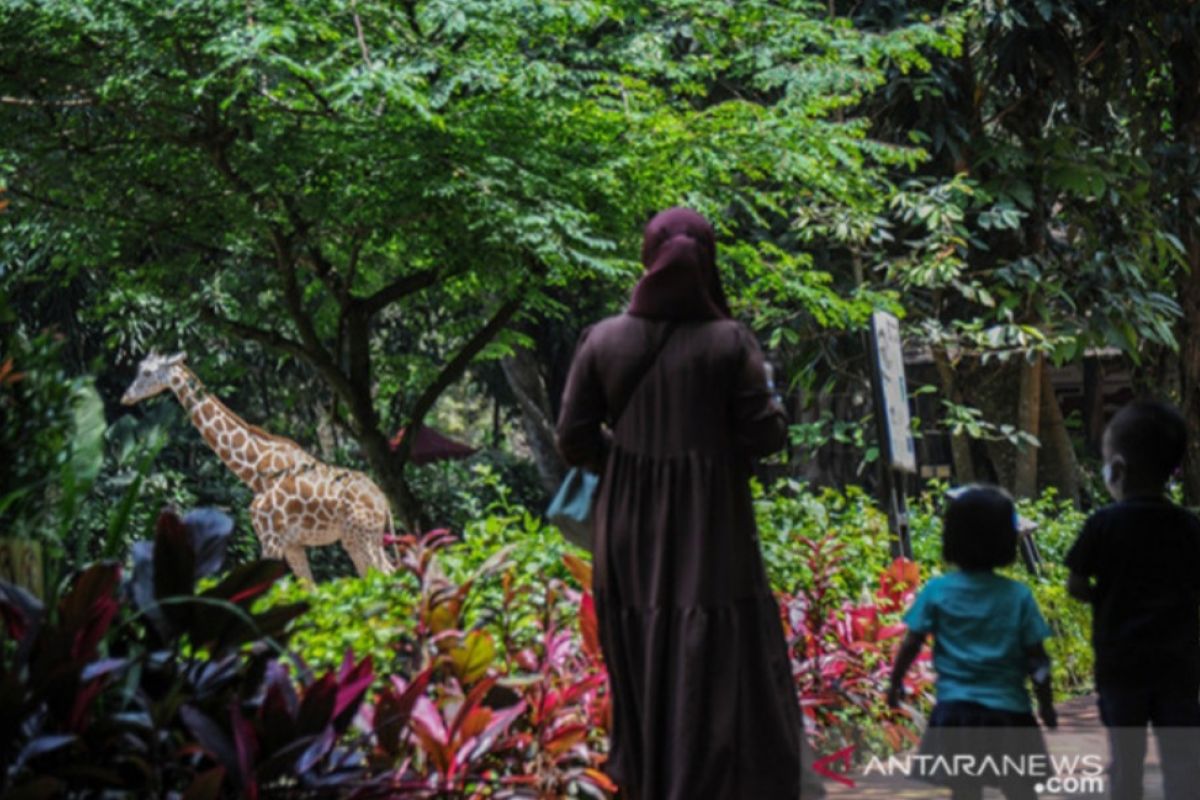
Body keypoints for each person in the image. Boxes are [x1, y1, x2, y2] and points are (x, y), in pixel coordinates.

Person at [555, 207, 804, 799]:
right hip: (712, 523)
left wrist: (628, 460)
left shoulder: (603, 340)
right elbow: (766, 435)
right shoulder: (729, 342)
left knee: (642, 644)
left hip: (628, 527)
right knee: (714, 646)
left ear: (648, 257)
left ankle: (644, 780)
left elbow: (573, 438)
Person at [1065, 399, 1200, 800]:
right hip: (1179, 665)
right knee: (1183, 758)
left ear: (1117, 468)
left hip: (1120, 664)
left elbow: (1075, 584)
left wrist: (1104, 597)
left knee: (1125, 758)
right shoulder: (1188, 526)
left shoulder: (1102, 524)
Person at [889, 485, 1056, 800]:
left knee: (965, 791)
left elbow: (912, 643)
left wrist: (894, 684)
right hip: (1010, 713)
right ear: (1008, 541)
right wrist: (1045, 703)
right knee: (1022, 790)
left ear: (951, 538)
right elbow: (1038, 659)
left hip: (956, 713)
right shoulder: (1018, 596)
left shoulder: (937, 591)